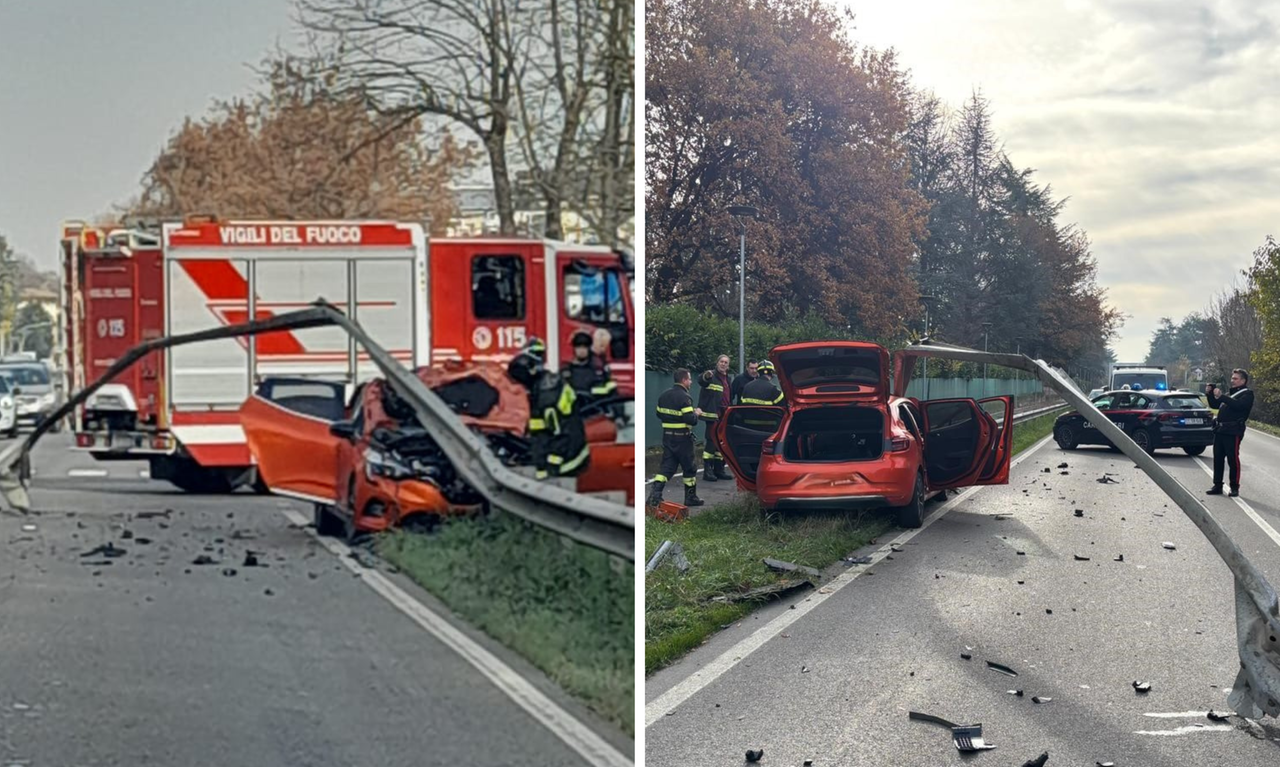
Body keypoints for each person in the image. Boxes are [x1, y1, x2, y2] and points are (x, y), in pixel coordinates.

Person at [507, 342, 589, 481]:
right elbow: (540, 428)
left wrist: (550, 467)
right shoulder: (544, 384)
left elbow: (561, 434)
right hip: (564, 455)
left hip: (566, 463)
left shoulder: (547, 396)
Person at [647, 368, 704, 507]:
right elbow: (690, 419)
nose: (690, 381)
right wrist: (696, 413)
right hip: (683, 439)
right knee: (689, 468)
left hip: (668, 438)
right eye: (689, 379)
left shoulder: (664, 395)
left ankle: (655, 495)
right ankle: (690, 497)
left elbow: (659, 414)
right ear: (684, 380)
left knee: (667, 467)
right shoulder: (685, 397)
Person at [1206, 368, 1254, 497]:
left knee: (1233, 460)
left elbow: (1238, 406)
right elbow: (1215, 405)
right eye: (1232, 378)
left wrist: (1222, 397)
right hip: (1220, 430)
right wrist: (1210, 394)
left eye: (1236, 378)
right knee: (1218, 458)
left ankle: (1234, 487)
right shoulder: (1230, 394)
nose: (1232, 380)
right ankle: (1217, 485)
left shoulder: (1248, 394)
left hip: (1233, 431)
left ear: (1243, 380)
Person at [697, 354, 734, 482]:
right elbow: (701, 380)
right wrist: (706, 376)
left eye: (726, 362)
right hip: (712, 415)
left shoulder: (727, 379)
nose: (723, 364)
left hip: (724, 415)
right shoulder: (711, 375)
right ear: (717, 363)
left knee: (721, 443)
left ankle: (719, 470)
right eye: (721, 362)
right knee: (711, 443)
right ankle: (707, 471)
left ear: (728, 365)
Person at [563, 330, 617, 405]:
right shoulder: (566, 371)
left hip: (595, 408)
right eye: (579, 347)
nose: (582, 351)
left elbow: (611, 391)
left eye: (584, 347)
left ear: (589, 348)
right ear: (574, 349)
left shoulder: (598, 370)